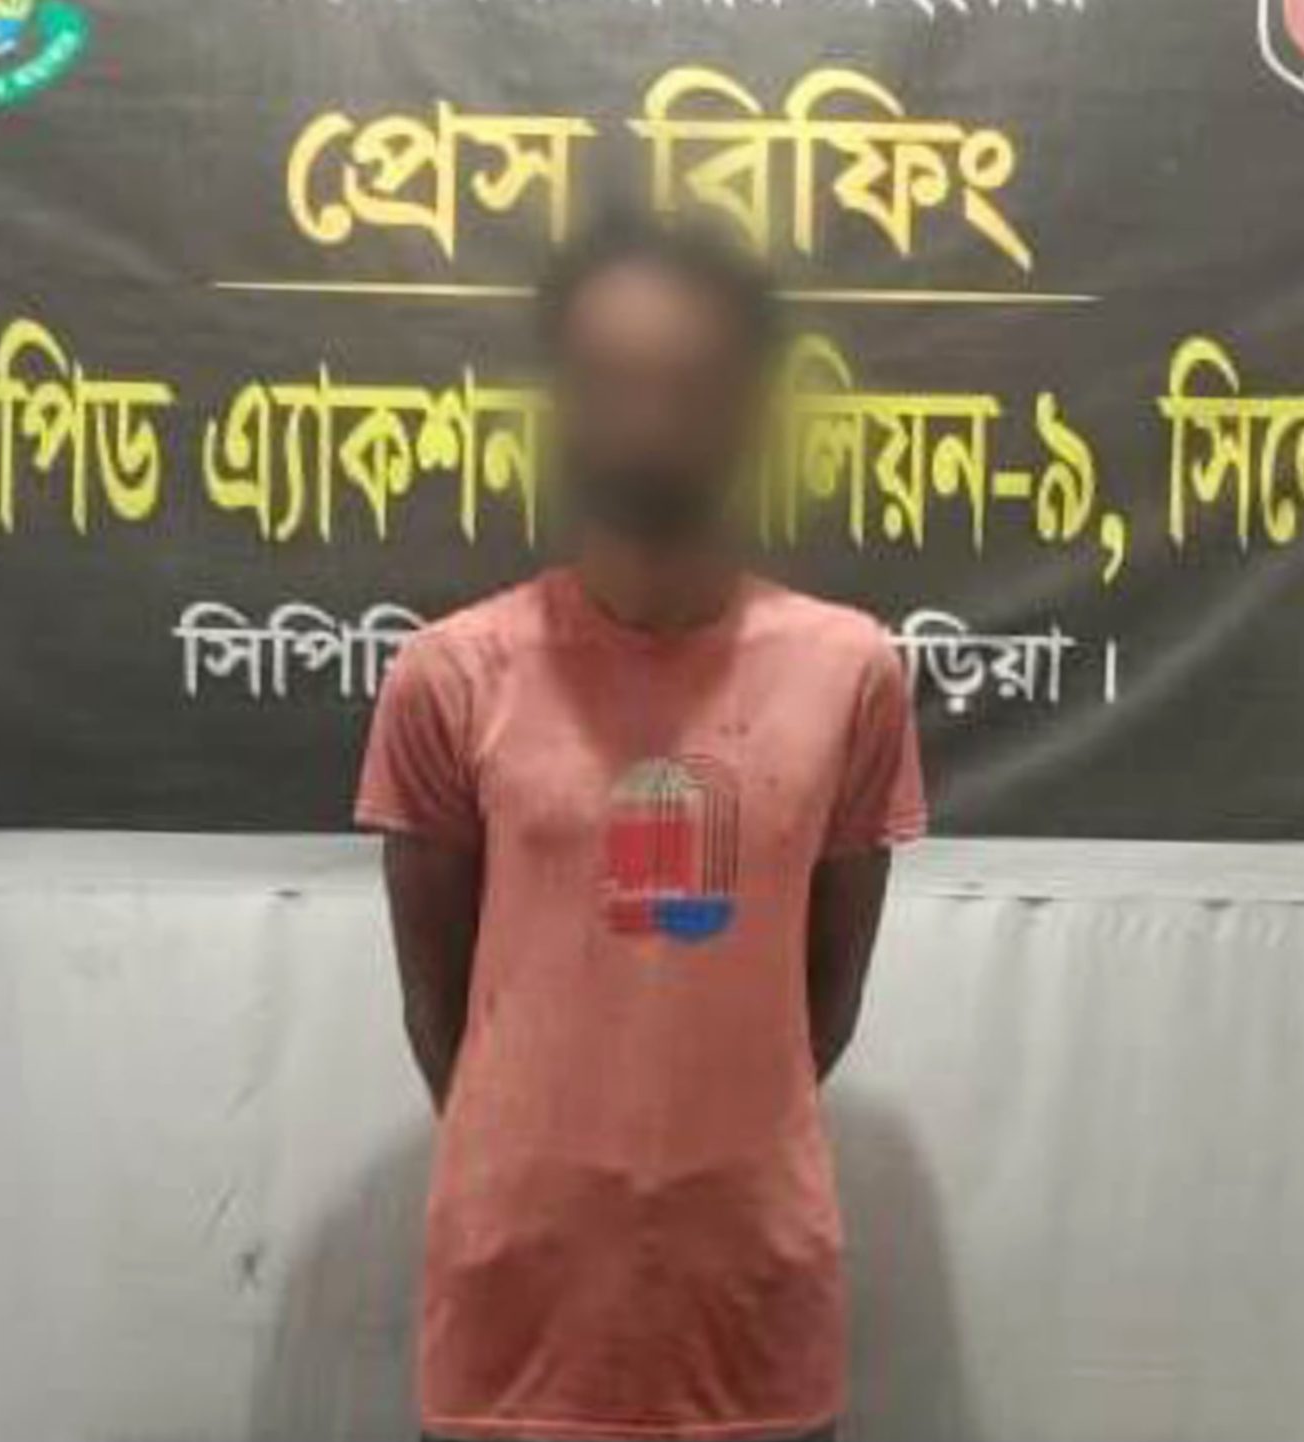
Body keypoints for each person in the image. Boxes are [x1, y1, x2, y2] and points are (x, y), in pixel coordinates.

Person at [356, 215, 926, 1442]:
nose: (649, 422)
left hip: (753, 1317)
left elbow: (818, 1009)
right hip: (514, 1324)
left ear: (749, 409)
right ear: (562, 406)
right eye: (613, 381)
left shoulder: (851, 672)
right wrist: (561, 1158)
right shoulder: (449, 673)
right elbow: (439, 1012)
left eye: (687, 384)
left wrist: (697, 1139)